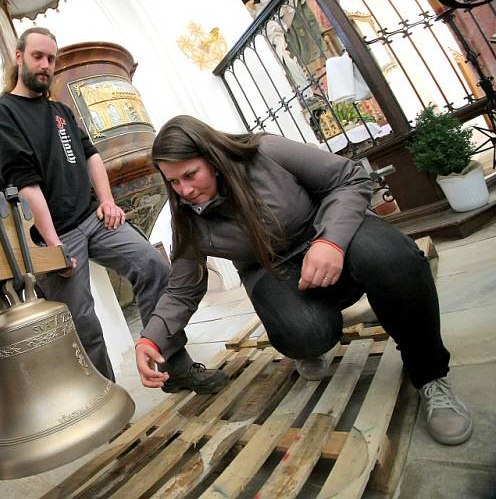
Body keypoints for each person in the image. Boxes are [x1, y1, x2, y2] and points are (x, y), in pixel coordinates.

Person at [135, 114, 472, 446]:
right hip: (273, 270)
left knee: (392, 260)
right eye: (174, 182)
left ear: (213, 156)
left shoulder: (267, 152)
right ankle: (314, 333)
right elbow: (182, 288)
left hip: (331, 233)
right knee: (303, 332)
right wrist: (151, 340)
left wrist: (330, 241)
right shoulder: (187, 218)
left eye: (190, 175)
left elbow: (351, 178)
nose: (185, 190)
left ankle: (430, 376)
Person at [0, 27, 227, 394]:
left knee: (152, 265)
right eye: (38, 56)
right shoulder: (1, 114)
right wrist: (52, 245)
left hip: (93, 218)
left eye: (51, 58)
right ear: (19, 58)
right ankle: (105, 402)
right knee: (81, 321)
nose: (46, 65)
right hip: (55, 236)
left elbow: (92, 155)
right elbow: (25, 185)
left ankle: (174, 365)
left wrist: (108, 201)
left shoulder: (60, 110)